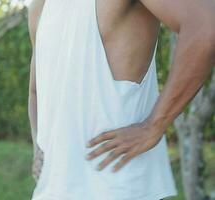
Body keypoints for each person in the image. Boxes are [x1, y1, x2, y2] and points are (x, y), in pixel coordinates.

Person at [27, 0, 215, 199]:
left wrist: (154, 126)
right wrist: (38, 145)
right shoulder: (40, 6)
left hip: (119, 188)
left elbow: (206, 26)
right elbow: (36, 92)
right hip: (53, 191)